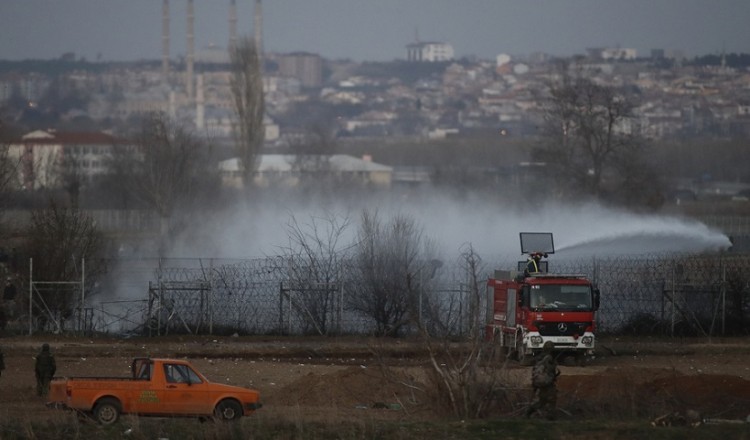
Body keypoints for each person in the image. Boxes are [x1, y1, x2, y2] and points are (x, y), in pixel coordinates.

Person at [525, 341, 560, 420]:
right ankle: (551, 418)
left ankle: (529, 411)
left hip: (538, 382)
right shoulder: (549, 358)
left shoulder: (539, 357)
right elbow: (550, 370)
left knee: (541, 400)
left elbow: (534, 369)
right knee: (552, 399)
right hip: (548, 382)